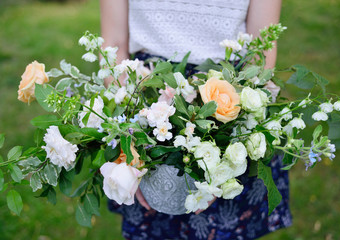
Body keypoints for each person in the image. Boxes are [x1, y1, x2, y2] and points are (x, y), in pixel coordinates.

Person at [100, 0, 292, 239]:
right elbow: (114, 45)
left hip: (227, 101)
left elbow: (260, 51)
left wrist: (220, 159)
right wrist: (136, 146)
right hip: (145, 99)